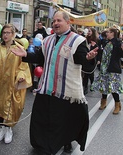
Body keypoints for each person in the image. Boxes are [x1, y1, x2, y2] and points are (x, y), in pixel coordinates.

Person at [11, 11, 98, 154]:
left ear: (68, 22)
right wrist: (26, 54)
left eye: (59, 20)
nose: (55, 23)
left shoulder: (77, 40)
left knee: (64, 121)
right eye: (54, 21)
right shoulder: (48, 40)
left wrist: (89, 59)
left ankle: (67, 141)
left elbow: (84, 63)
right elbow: (40, 58)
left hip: (66, 91)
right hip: (46, 87)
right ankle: (40, 144)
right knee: (42, 119)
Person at [91, 27, 123, 115]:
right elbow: (101, 52)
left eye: (108, 32)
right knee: (104, 86)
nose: (107, 34)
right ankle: (103, 102)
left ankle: (117, 104)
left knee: (113, 87)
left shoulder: (117, 42)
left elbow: (120, 54)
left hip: (112, 68)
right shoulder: (105, 42)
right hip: (104, 67)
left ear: (113, 33)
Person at [83, 27, 99, 94]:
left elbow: (99, 50)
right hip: (86, 58)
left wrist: (94, 45)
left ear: (92, 32)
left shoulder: (96, 40)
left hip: (93, 59)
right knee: (85, 74)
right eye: (88, 31)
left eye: (90, 31)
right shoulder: (85, 39)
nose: (88, 32)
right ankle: (85, 87)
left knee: (91, 73)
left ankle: (92, 84)